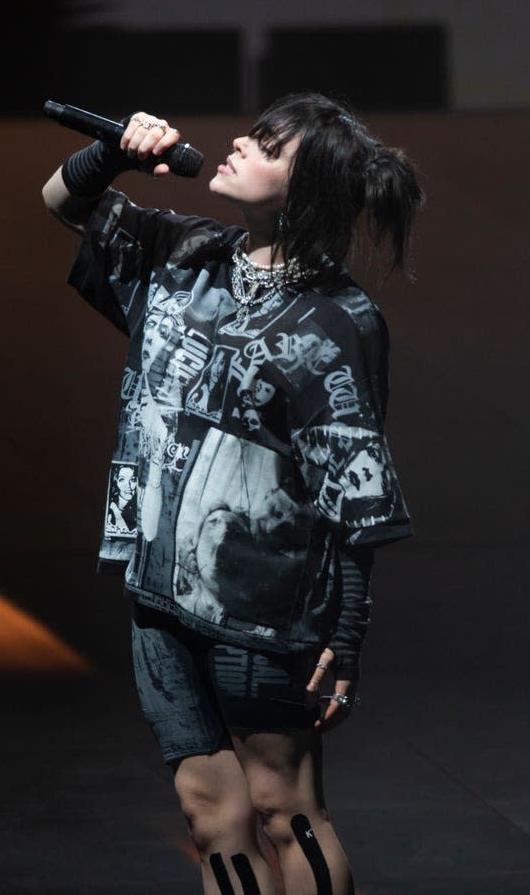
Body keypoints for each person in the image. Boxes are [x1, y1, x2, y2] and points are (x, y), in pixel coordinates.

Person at [42, 93, 423, 895]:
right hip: (158, 590)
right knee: (209, 814)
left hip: (264, 605)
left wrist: (347, 632)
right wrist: (113, 153)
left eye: (269, 148)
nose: (241, 147)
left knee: (287, 808)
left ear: (307, 191)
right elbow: (62, 203)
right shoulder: (185, 253)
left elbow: (354, 487)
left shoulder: (338, 320)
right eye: (252, 135)